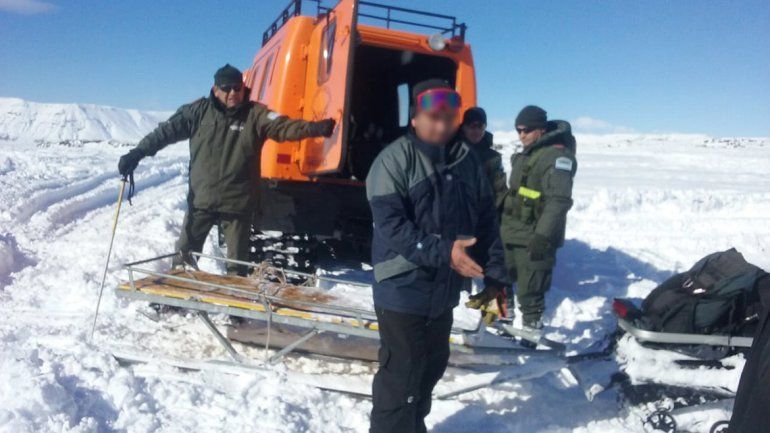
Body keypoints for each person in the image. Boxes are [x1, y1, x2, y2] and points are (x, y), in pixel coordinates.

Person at [365, 79, 508, 433]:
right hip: (402, 285)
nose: (442, 125)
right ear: (415, 117)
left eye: (449, 117)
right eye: (433, 117)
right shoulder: (394, 160)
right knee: (402, 374)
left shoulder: (467, 162)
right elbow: (392, 227)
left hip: (443, 289)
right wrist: (445, 252)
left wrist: (495, 278)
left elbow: (487, 222)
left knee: (431, 367)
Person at [117, 64, 335, 275]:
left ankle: (236, 310)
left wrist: (313, 128)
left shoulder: (255, 114)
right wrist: (138, 152)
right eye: (227, 88)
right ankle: (176, 299)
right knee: (183, 259)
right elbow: (164, 132)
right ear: (215, 89)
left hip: (238, 206)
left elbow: (283, 126)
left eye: (237, 88)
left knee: (237, 266)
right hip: (201, 201)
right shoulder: (198, 112)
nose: (233, 93)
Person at [499, 105, 577, 329]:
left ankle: (531, 331)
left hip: (534, 234)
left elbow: (559, 201)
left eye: (527, 129)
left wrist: (542, 236)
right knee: (501, 278)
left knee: (530, 289)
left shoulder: (557, 158)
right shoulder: (527, 154)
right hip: (511, 230)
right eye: (518, 130)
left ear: (541, 129)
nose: (522, 134)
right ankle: (503, 321)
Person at [460, 107, 508, 209]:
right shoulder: (454, 153)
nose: (477, 130)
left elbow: (500, 191)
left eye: (481, 126)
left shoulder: (494, 158)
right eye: (472, 126)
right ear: (464, 127)